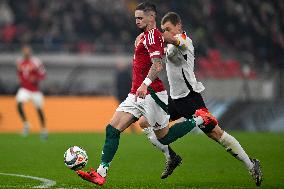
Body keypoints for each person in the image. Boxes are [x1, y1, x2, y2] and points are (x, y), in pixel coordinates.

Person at [76, 2, 217, 186]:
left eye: (140, 18)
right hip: (136, 94)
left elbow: (158, 64)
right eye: (135, 18)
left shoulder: (152, 36)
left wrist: (145, 84)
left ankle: (200, 119)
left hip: (152, 94)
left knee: (164, 137)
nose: (137, 21)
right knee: (112, 128)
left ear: (152, 18)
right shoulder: (146, 36)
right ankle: (101, 173)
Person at [140, 12, 263, 186]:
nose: (166, 32)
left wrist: (153, 34)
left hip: (191, 99)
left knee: (217, 135)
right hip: (174, 100)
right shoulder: (167, 47)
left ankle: (251, 165)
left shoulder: (185, 42)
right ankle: (171, 157)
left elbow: (172, 41)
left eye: (168, 29)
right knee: (144, 121)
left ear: (179, 26)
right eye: (163, 29)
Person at [16, 45, 47, 140]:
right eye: (24, 51)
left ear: (30, 52)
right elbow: (19, 73)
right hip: (25, 88)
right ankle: (26, 124)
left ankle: (43, 130)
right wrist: (22, 80)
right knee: (19, 103)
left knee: (39, 110)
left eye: (27, 51)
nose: (26, 52)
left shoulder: (36, 61)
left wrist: (36, 79)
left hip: (35, 90)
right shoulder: (20, 62)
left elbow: (43, 74)